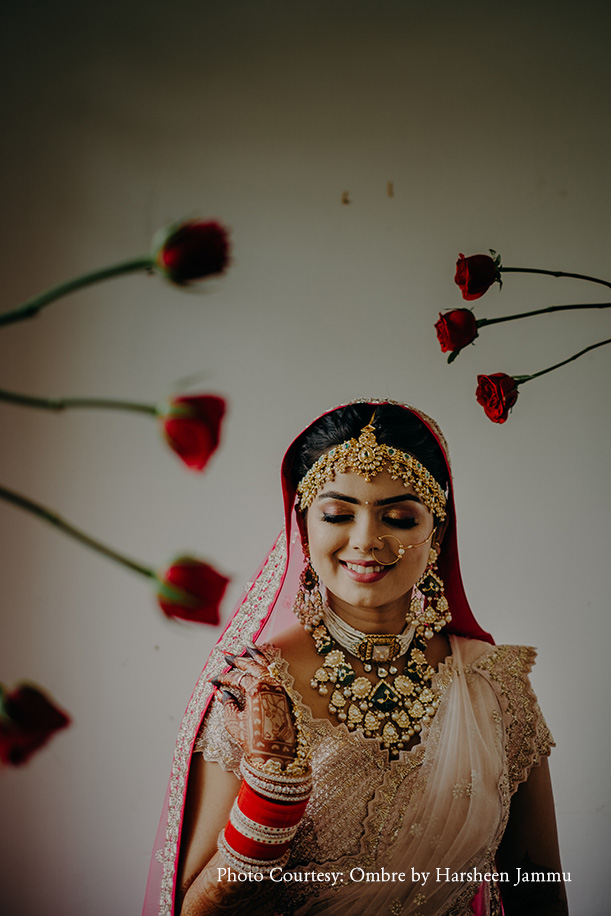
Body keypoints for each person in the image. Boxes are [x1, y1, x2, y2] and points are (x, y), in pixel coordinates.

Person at [143, 400, 568, 916]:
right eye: (338, 514)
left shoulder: (494, 683)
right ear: (304, 527)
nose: (366, 540)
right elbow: (193, 911)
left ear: (435, 532)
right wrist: (269, 801)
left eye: (399, 516)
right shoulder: (259, 687)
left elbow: (536, 883)